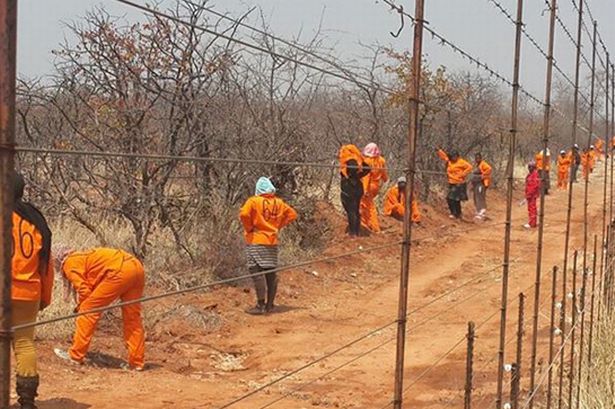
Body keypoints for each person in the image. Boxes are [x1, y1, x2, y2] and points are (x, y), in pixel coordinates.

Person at [53, 247, 145, 371]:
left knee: (88, 310)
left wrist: (81, 307)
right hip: (136, 267)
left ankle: (75, 356)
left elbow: (84, 291)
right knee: (132, 318)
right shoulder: (83, 255)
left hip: (119, 271)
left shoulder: (69, 263)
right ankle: (136, 363)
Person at [10, 172, 54, 409]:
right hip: (29, 293)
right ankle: (27, 402)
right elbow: (46, 264)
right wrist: (45, 297)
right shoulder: (35, 219)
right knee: (24, 343)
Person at [240, 177, 297, 315]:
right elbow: (292, 214)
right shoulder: (278, 202)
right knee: (271, 274)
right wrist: (277, 226)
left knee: (256, 271)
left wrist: (249, 228)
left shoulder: (253, 201)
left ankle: (260, 305)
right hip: (272, 241)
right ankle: (270, 305)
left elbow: (244, 214)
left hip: (256, 239)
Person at [339, 145, 371, 236]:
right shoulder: (359, 158)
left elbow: (352, 167)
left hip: (349, 188)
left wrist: (351, 176)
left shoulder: (348, 158)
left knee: (351, 211)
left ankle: (353, 233)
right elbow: (367, 168)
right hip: (358, 188)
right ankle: (356, 231)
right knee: (355, 210)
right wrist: (358, 176)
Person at [360, 143, 389, 233]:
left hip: (368, 186)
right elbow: (385, 176)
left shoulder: (367, 161)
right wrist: (385, 179)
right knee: (367, 204)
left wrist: (364, 190)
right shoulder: (381, 160)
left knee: (367, 205)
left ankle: (373, 226)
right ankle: (367, 224)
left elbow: (366, 177)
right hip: (376, 186)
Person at [437, 148, 473, 219]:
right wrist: (439, 151)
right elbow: (444, 157)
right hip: (451, 182)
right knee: (456, 199)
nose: (454, 157)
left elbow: (469, 167)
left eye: (456, 156)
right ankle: (458, 214)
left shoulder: (461, 162)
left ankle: (453, 213)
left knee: (450, 198)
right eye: (453, 156)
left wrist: (462, 174)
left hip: (459, 183)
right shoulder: (449, 161)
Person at [470, 153, 492, 220]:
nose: (477, 159)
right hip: (476, 184)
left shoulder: (483, 164)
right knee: (476, 197)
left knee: (480, 197)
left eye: (478, 158)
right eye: (476, 158)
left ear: (481, 158)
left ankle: (482, 212)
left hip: (481, 184)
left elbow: (489, 169)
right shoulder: (477, 165)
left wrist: (482, 175)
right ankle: (478, 211)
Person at [524, 161, 541, 229]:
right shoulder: (530, 174)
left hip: (532, 195)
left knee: (532, 209)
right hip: (530, 194)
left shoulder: (535, 174)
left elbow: (534, 186)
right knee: (531, 209)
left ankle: (532, 223)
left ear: (534, 167)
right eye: (529, 167)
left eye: (531, 167)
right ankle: (531, 222)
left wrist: (529, 194)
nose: (529, 168)